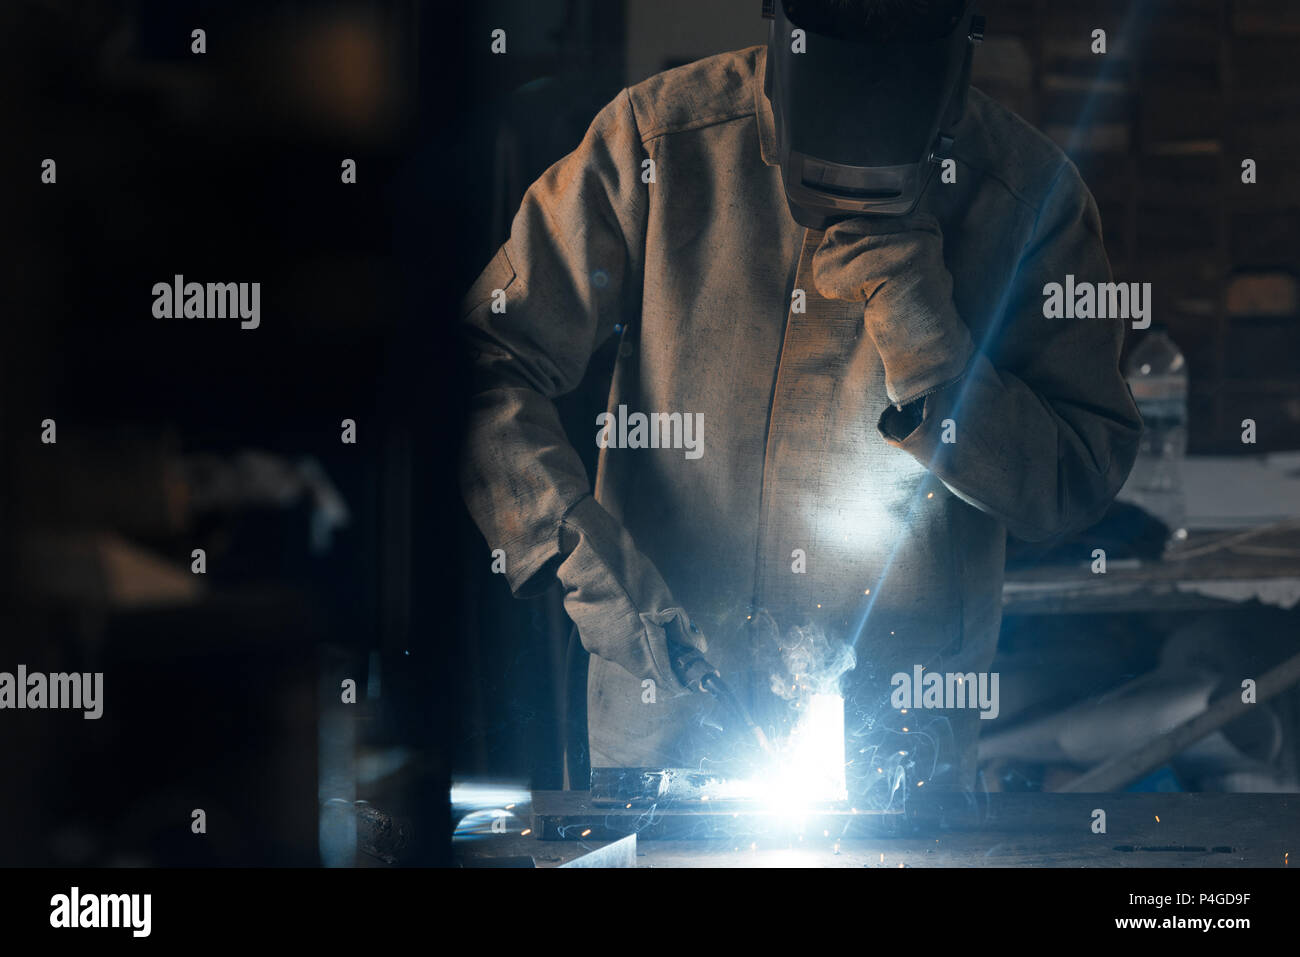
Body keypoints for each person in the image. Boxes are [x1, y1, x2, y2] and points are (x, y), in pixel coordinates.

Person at [459, 0, 1142, 795]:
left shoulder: (1029, 204)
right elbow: (483, 359)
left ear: (956, 55)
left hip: (893, 755)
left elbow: (1076, 479)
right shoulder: (658, 144)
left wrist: (934, 348)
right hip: (664, 725)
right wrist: (577, 549)